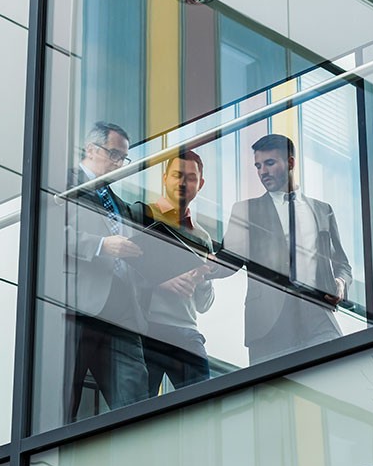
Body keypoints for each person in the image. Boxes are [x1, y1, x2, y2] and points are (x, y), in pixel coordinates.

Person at [221, 133, 352, 365]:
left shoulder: (323, 210)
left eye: (269, 163)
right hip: (269, 321)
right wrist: (196, 264)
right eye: (258, 166)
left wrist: (340, 284)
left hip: (318, 315)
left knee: (336, 378)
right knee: (272, 397)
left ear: (290, 162)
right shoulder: (246, 210)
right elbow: (228, 260)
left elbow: (342, 264)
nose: (262, 172)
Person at [64, 121, 149, 421]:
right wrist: (101, 245)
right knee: (63, 402)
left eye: (123, 158)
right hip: (78, 307)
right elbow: (49, 234)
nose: (118, 164)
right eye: (114, 154)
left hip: (123, 310)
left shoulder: (119, 203)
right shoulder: (64, 182)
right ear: (90, 149)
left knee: (136, 404)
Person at [142, 150, 215, 392]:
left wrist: (203, 279)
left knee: (205, 406)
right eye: (177, 175)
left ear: (200, 184)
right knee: (138, 410)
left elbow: (204, 305)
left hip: (186, 331)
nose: (183, 183)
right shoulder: (142, 215)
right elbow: (123, 270)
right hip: (146, 327)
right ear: (165, 178)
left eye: (191, 178)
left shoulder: (203, 237)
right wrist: (161, 281)